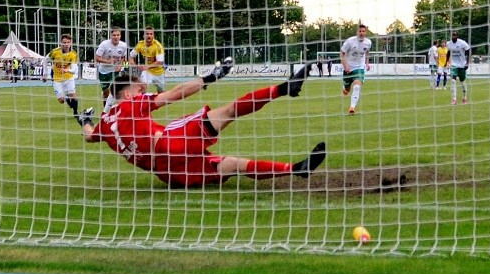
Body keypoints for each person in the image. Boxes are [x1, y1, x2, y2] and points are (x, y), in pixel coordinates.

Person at [79, 59, 325, 188]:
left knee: (231, 165)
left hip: (169, 174)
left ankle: (296, 169)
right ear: (129, 94)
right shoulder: (132, 104)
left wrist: (85, 120)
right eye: (139, 88)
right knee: (226, 112)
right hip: (171, 146)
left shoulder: (104, 122)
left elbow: (89, 136)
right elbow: (175, 93)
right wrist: (210, 77)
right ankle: (283, 88)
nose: (143, 89)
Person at [44, 33, 81, 121]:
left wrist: (68, 70)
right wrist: (45, 74)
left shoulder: (73, 54)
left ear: (71, 43)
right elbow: (45, 60)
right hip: (57, 78)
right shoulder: (55, 52)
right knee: (61, 100)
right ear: (61, 43)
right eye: (64, 42)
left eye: (68, 42)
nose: (66, 44)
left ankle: (76, 112)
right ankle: (67, 98)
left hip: (69, 77)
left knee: (73, 95)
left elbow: (74, 69)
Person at [95, 27, 129, 113]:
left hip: (115, 71)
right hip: (103, 71)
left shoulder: (123, 46)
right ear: (111, 36)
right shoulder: (104, 44)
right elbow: (97, 58)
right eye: (114, 35)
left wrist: (121, 65)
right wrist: (108, 61)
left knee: (114, 90)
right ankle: (106, 108)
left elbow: (124, 58)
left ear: (120, 36)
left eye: (118, 35)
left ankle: (108, 111)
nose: (116, 37)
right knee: (106, 93)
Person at [340, 23, 372, 114]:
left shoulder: (368, 42)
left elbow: (367, 52)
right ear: (357, 32)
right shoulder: (350, 41)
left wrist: (367, 63)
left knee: (357, 86)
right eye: (360, 31)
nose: (361, 33)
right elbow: (341, 53)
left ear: (365, 32)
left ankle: (352, 108)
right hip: (349, 67)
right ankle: (345, 88)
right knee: (347, 89)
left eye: (363, 31)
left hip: (360, 67)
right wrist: (345, 65)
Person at [129, 26, 166, 93]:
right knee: (143, 86)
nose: (149, 36)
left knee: (161, 92)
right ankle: (143, 102)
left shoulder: (158, 46)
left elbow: (160, 62)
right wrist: (135, 65)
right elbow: (131, 57)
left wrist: (147, 66)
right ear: (143, 35)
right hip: (147, 71)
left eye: (151, 34)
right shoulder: (140, 44)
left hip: (159, 72)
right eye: (147, 34)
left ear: (153, 36)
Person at [447, 30, 471, 105]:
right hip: (454, 65)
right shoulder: (449, 43)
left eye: (455, 35)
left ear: (457, 36)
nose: (454, 37)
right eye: (453, 35)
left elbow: (468, 51)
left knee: (463, 82)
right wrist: (446, 62)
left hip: (462, 64)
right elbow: (448, 52)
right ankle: (454, 99)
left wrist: (467, 63)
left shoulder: (462, 43)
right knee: (453, 81)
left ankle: (464, 97)